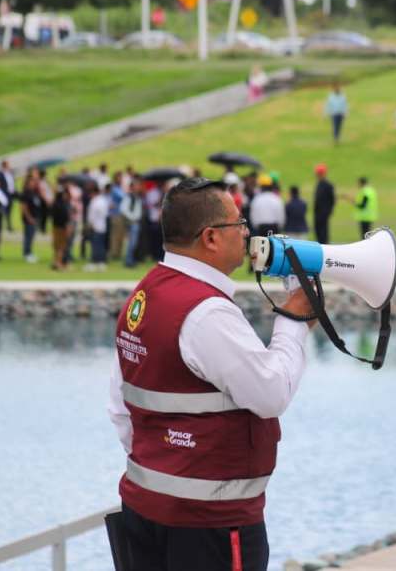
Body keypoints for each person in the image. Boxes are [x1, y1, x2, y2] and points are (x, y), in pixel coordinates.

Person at [108, 177, 315, 571]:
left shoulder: (144, 295)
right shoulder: (206, 312)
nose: (247, 233)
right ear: (211, 238)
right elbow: (271, 393)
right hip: (210, 528)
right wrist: (295, 319)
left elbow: (122, 407)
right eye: (239, 223)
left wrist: (165, 461)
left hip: (143, 511)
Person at [86, 184, 111, 271]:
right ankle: (101, 262)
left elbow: (92, 216)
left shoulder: (95, 201)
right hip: (102, 225)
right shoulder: (103, 200)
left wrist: (90, 225)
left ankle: (96, 262)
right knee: (100, 245)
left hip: (96, 226)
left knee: (96, 245)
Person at [121, 178, 144, 268]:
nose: (138, 187)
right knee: (132, 242)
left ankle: (131, 259)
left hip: (136, 222)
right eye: (136, 185)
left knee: (134, 243)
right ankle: (128, 261)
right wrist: (132, 218)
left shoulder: (136, 197)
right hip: (132, 223)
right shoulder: (129, 197)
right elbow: (123, 209)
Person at [20, 175, 43, 263]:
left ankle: (30, 252)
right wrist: (29, 217)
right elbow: (24, 207)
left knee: (32, 236)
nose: (34, 183)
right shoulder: (26, 193)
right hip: (29, 218)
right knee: (28, 236)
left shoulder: (34, 192)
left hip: (36, 217)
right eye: (32, 182)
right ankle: (27, 253)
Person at [50, 184, 72, 271]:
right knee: (61, 247)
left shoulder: (54, 204)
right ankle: (59, 263)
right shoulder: (63, 205)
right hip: (62, 228)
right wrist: (68, 228)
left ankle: (55, 262)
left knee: (56, 247)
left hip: (55, 227)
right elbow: (66, 218)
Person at [312, 164, 335, 244]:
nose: (318, 175)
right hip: (317, 213)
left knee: (323, 234)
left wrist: (328, 212)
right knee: (317, 232)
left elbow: (332, 200)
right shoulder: (319, 184)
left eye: (319, 173)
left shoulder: (328, 185)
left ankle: (324, 247)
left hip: (324, 214)